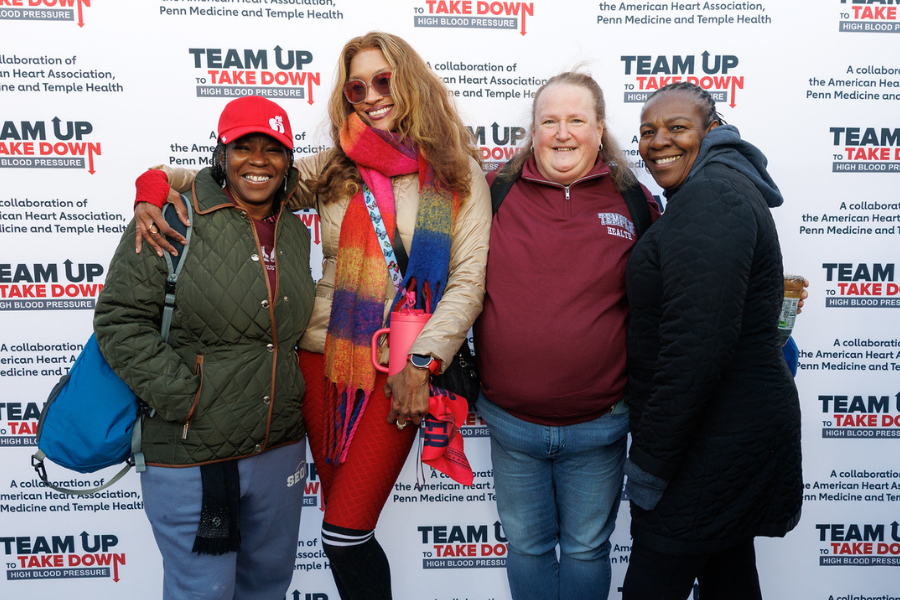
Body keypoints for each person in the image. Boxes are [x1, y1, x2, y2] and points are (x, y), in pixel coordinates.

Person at [131, 32, 491, 600]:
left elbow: (468, 281)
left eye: (383, 81)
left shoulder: (458, 170)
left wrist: (422, 362)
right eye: (356, 87)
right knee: (337, 532)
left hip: (398, 369)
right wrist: (150, 188)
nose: (370, 96)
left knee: (345, 533)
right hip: (317, 368)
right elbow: (232, 176)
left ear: (409, 82)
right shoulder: (334, 166)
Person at [94, 95, 315, 600]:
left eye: (274, 149)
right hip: (194, 453)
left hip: (278, 448)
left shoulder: (296, 230)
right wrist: (187, 397)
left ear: (288, 161)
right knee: (203, 592)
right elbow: (119, 319)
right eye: (244, 147)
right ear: (221, 153)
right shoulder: (173, 216)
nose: (259, 161)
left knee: (268, 589)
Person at [474, 72, 660, 600]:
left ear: (599, 130)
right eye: (549, 121)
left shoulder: (633, 200)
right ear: (532, 132)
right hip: (513, 427)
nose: (562, 133)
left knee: (585, 550)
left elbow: (676, 285)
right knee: (527, 548)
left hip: (598, 429)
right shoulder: (494, 192)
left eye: (576, 120)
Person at [621, 82, 803, 600]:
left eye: (677, 128)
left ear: (714, 130)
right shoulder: (713, 191)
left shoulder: (711, 196)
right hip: (723, 436)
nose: (658, 143)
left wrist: (651, 465)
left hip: (709, 444)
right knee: (729, 575)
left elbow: (695, 350)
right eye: (647, 133)